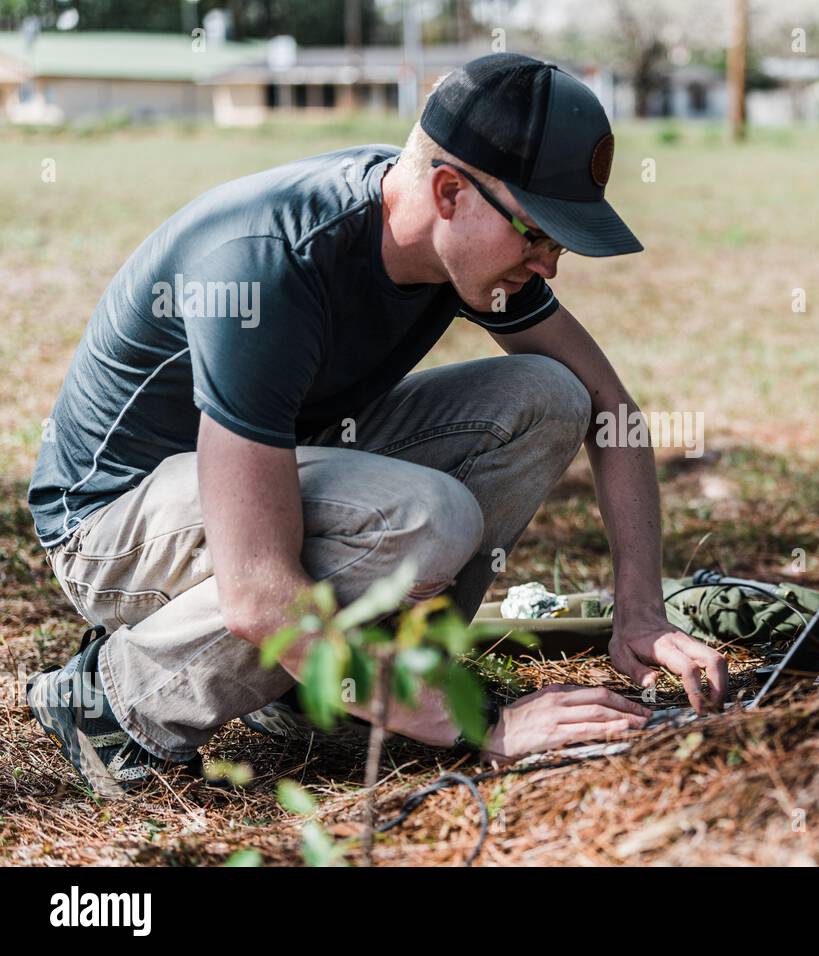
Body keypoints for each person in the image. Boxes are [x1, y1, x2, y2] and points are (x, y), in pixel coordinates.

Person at [26, 53, 727, 799]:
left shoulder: (442, 241)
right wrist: (478, 727)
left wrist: (642, 614)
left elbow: (611, 411)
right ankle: (118, 700)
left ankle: (337, 694)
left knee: (551, 394)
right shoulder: (270, 267)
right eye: (537, 234)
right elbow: (260, 592)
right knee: (423, 519)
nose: (550, 265)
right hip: (109, 525)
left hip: (266, 473)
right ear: (451, 191)